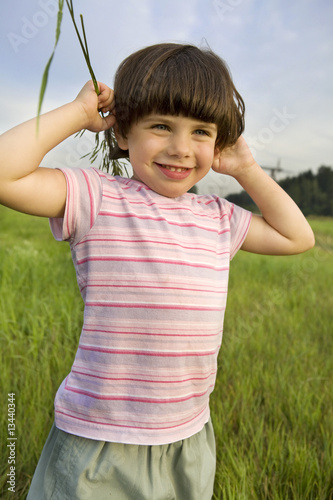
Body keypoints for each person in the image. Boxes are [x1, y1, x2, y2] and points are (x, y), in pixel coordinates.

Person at [0, 43, 314, 500]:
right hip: (100, 440)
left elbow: (297, 237)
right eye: (162, 126)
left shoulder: (218, 217)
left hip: (187, 437)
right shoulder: (98, 197)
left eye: (201, 132)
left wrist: (245, 168)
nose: (181, 148)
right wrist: (78, 112)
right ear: (124, 131)